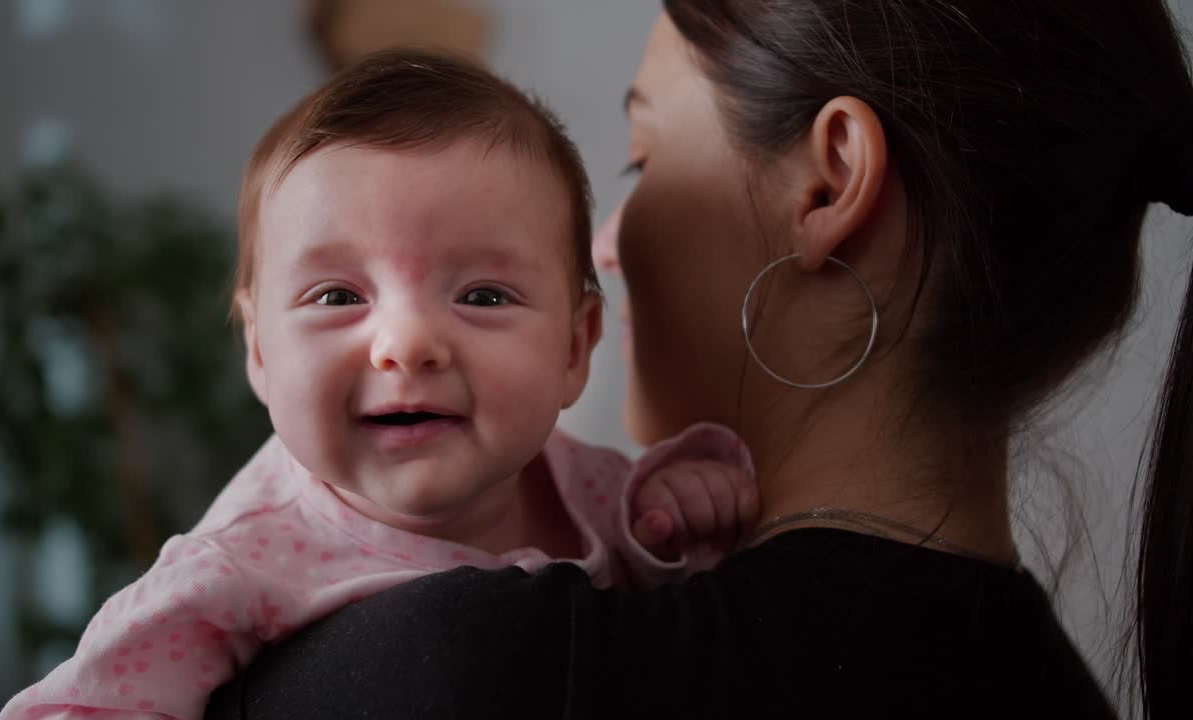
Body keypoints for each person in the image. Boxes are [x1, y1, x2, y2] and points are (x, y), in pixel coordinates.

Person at [203, 1, 1193, 719]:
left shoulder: (492, 669)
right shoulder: (1056, 695)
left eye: (642, 158)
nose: (603, 244)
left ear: (829, 182)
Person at [0, 50, 758, 720]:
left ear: (573, 346)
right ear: (259, 352)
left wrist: (683, 513)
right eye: (338, 297)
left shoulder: (595, 490)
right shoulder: (238, 567)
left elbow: (678, 614)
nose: (407, 345)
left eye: (483, 296)